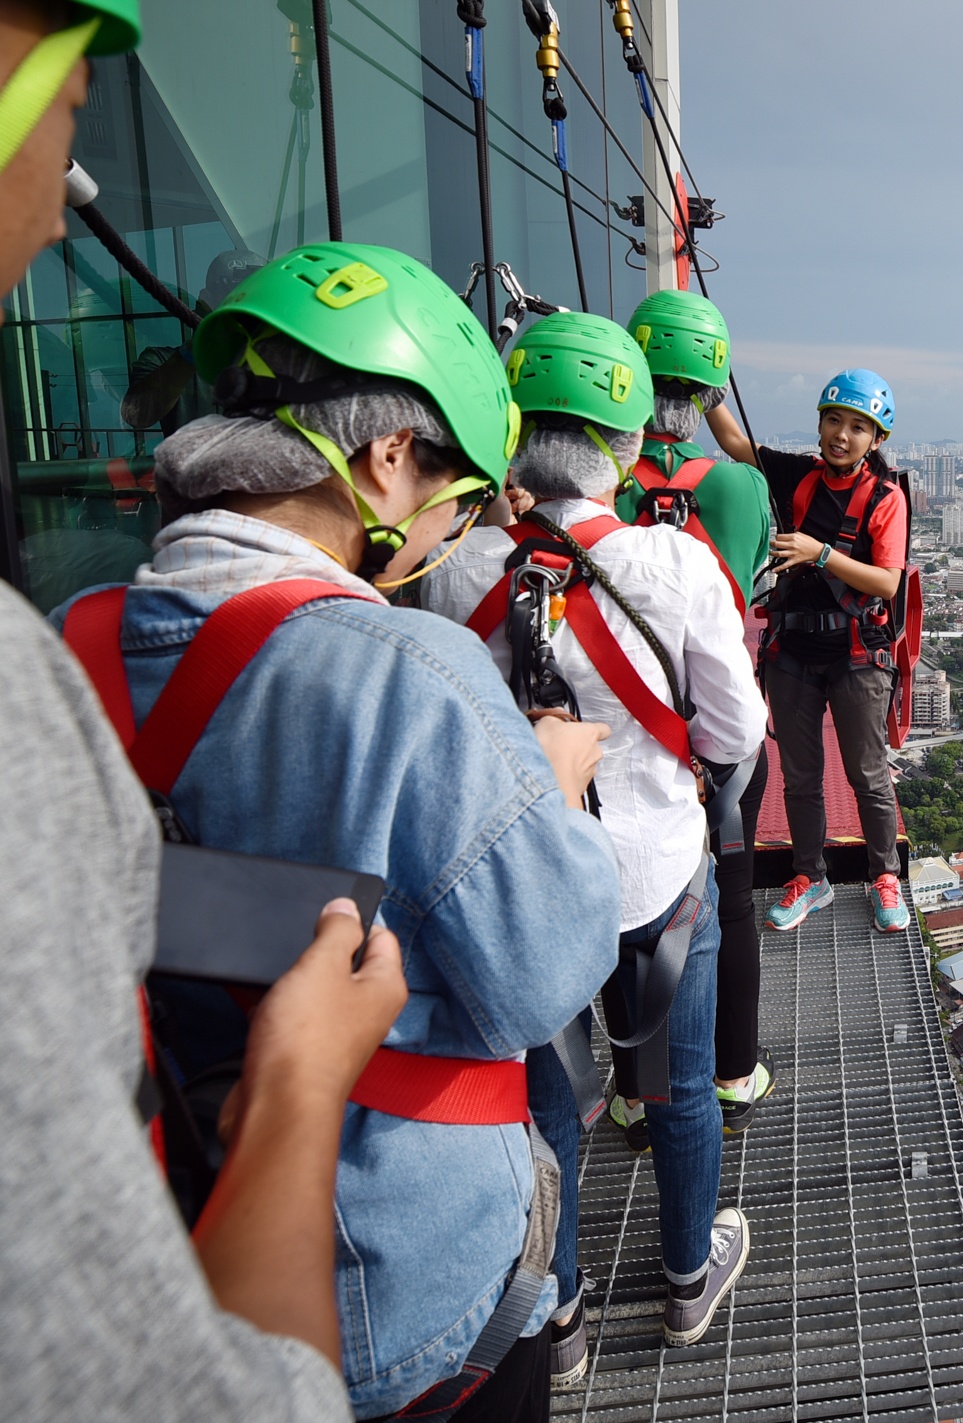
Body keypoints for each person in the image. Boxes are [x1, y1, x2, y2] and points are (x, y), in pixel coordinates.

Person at [52, 240, 622, 1421]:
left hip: (153, 1238)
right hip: (404, 1283)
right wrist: (553, 787)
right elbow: (548, 972)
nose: (450, 535)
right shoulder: (415, 675)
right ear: (388, 459)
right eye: (457, 501)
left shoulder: (66, 648)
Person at [0, 0, 424, 1417]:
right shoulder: (401, 667)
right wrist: (301, 1085)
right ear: (387, 465)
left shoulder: (80, 620)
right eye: (66, 99)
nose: (73, 197)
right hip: (352, 1240)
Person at [422, 309, 766, 1353]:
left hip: (520, 891)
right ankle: (684, 1280)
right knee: (678, 1089)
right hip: (655, 883)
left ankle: (558, 1317)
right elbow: (735, 729)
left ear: (517, 433)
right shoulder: (675, 564)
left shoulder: (458, 569)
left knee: (549, 1110)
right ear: (626, 447)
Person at [621, 287, 775, 1135]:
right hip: (724, 735)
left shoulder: (606, 483)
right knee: (733, 896)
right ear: (714, 391)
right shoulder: (742, 488)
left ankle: (632, 1088)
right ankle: (731, 1073)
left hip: (630, 728)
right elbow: (750, 585)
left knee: (635, 909)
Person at [705, 369, 912, 934]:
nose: (841, 435)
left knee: (867, 774)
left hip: (854, 652)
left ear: (876, 440)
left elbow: (888, 583)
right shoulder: (799, 475)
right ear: (820, 423)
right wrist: (706, 387)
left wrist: (821, 554)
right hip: (793, 648)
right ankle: (809, 876)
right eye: (833, 421)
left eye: (857, 427)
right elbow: (733, 442)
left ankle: (884, 875)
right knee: (800, 776)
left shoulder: (884, 498)